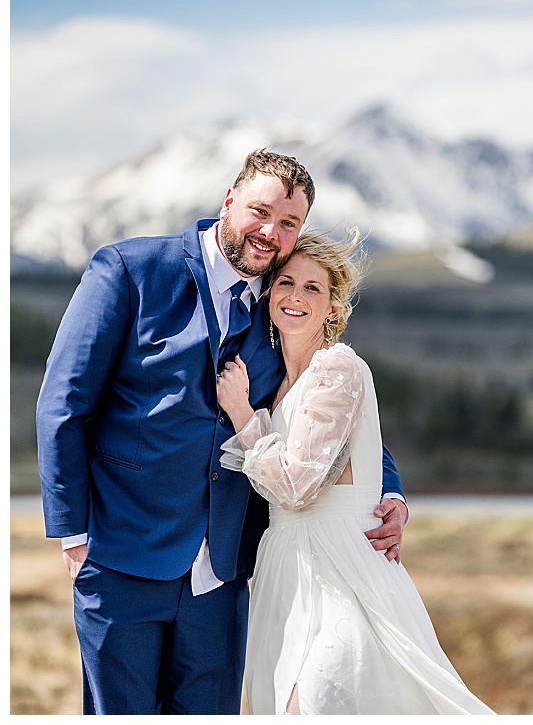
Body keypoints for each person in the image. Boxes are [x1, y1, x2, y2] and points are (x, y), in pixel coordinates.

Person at [36, 150, 408, 714]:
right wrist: (72, 533)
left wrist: (388, 490)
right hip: (121, 555)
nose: (269, 233)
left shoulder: (283, 300)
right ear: (228, 201)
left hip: (225, 571)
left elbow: (328, 411)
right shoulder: (130, 270)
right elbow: (64, 404)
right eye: (260, 212)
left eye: (288, 224)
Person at [215, 230, 495, 714]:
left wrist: (242, 415)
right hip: (283, 570)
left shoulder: (337, 368)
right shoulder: (274, 380)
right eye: (285, 283)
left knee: (321, 697)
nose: (295, 297)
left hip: (340, 564)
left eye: (313, 288)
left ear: (333, 307)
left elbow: (297, 487)